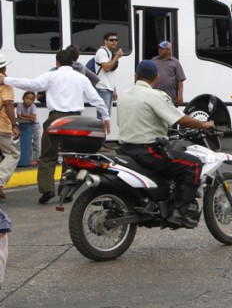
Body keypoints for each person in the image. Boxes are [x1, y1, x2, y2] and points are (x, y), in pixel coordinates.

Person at [0, 50, 110, 204]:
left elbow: (31, 84)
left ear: (57, 63)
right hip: (75, 121)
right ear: (72, 62)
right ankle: (66, 191)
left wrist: (6, 80)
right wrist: (105, 116)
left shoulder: (51, 76)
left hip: (56, 119)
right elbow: (95, 99)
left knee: (47, 156)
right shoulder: (81, 78)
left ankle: (47, 189)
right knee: (70, 156)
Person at [117, 60, 214, 228]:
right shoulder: (156, 96)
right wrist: (203, 124)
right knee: (194, 165)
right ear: (157, 78)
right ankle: (180, 213)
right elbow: (180, 119)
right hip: (148, 152)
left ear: (135, 76)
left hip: (124, 150)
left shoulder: (124, 95)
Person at [0, 56, 20, 200]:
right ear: (4, 67)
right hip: (2, 126)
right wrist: (14, 125)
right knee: (13, 153)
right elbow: (8, 104)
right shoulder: (5, 82)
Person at [151, 41, 187, 106]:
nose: (159, 50)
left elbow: (180, 80)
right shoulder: (153, 60)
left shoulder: (175, 62)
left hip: (169, 97)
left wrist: (180, 95)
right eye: (159, 48)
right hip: (155, 95)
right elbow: (148, 77)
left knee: (168, 115)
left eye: (162, 49)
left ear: (169, 51)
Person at [16, 91, 41, 166]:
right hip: (25, 126)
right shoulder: (19, 105)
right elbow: (19, 116)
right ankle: (28, 159)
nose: (28, 100)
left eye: (31, 99)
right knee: (27, 143)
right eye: (27, 98)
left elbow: (34, 117)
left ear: (33, 101)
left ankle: (37, 159)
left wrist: (23, 115)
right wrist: (29, 117)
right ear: (23, 98)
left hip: (35, 126)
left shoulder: (33, 106)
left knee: (37, 142)